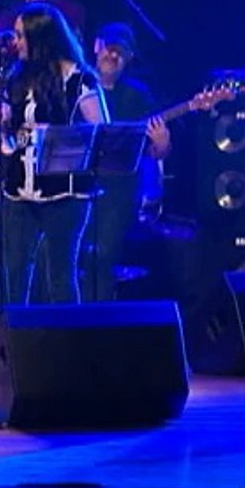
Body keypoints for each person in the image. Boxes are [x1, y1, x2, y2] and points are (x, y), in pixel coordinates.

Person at [0, 2, 109, 305]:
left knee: (60, 275)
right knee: (15, 272)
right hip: (19, 191)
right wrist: (5, 127)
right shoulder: (16, 77)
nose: (16, 42)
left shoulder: (80, 81)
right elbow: (7, 131)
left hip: (66, 194)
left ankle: (66, 345)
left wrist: (61, 137)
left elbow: (102, 134)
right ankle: (16, 341)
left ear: (41, 39)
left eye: (22, 36)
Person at [85, 23, 171, 302]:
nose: (113, 57)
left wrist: (162, 142)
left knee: (103, 256)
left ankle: (97, 321)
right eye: (110, 49)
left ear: (129, 59)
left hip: (117, 192)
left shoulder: (137, 94)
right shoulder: (78, 85)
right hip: (76, 186)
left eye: (121, 54)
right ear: (97, 46)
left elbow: (157, 153)